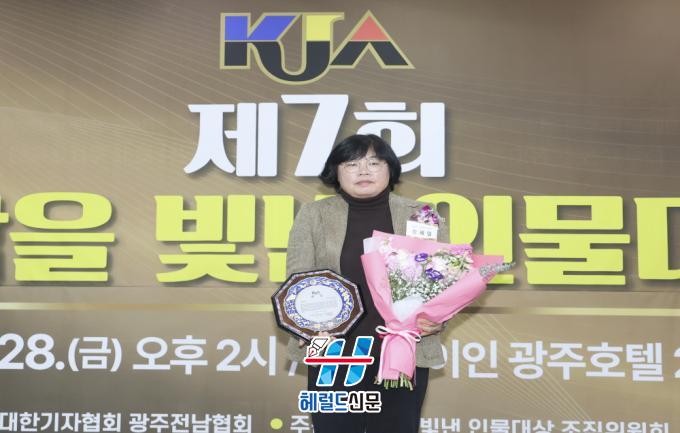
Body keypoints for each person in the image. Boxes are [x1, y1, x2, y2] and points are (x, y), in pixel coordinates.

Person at [285, 134, 449, 433]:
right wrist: (306, 324)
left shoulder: (421, 215)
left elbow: (441, 278)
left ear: (390, 169)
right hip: (333, 349)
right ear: (336, 172)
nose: (363, 170)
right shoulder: (314, 214)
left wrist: (436, 319)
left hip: (401, 349)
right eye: (351, 164)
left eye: (374, 163)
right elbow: (299, 278)